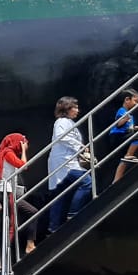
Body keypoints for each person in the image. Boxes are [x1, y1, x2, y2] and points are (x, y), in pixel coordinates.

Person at [45, 97, 93, 230]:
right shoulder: (62, 122)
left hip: (67, 160)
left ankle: (53, 227)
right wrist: (81, 147)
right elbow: (62, 136)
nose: (77, 110)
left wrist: (81, 151)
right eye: (75, 107)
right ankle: (72, 214)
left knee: (60, 194)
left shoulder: (70, 123)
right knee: (87, 182)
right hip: (64, 161)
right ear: (66, 108)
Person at [0, 132, 39, 254]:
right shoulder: (8, 153)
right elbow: (24, 166)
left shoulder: (8, 153)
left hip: (9, 191)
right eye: (24, 142)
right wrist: (23, 150)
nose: (26, 145)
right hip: (8, 192)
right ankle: (29, 244)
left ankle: (3, 261)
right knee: (20, 220)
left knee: (13, 224)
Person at [110, 89, 138, 183]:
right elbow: (118, 124)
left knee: (123, 160)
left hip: (124, 135)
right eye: (135, 101)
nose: (136, 104)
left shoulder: (130, 115)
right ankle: (129, 155)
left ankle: (116, 180)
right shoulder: (122, 111)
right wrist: (125, 118)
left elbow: (131, 127)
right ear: (127, 99)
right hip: (117, 136)